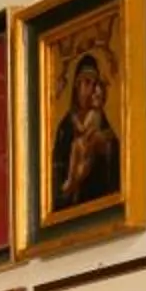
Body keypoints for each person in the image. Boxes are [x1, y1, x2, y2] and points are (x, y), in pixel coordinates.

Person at [52, 52, 122, 208]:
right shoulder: (65, 127)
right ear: (77, 86)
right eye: (87, 83)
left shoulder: (101, 119)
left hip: (98, 197)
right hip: (73, 204)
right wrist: (74, 179)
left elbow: (116, 155)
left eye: (94, 84)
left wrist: (106, 148)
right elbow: (56, 174)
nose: (91, 89)